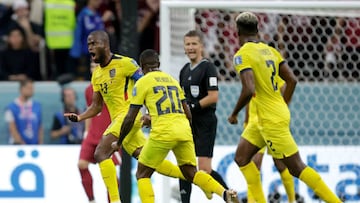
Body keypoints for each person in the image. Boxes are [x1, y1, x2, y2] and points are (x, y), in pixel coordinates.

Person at [64, 30, 194, 203]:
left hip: (128, 117)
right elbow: (96, 106)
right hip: (120, 121)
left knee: (101, 153)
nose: (90, 48)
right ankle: (193, 176)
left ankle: (115, 200)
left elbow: (148, 84)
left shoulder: (126, 63)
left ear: (105, 44)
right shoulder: (96, 75)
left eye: (93, 44)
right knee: (145, 159)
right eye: (88, 45)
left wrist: (149, 112)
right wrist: (79, 118)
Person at [227, 11, 342, 203]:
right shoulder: (271, 51)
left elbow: (248, 89)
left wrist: (234, 114)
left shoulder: (241, 55)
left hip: (270, 120)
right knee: (241, 158)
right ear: (257, 30)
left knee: (296, 167)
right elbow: (292, 80)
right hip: (265, 118)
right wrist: (283, 104)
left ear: (238, 32)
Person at [111, 49, 239, 203]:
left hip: (163, 132)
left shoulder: (142, 82)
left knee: (142, 174)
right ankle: (224, 193)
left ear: (142, 67)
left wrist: (118, 142)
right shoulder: (172, 80)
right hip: (184, 129)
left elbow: (130, 117)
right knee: (191, 173)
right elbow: (188, 113)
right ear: (158, 64)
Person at [178, 30, 228, 202]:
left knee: (204, 169)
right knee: (185, 165)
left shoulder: (208, 67)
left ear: (201, 46)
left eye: (194, 44)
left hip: (205, 122)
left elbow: (213, 96)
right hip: (188, 124)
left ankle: (228, 195)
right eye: (188, 44)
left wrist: (192, 107)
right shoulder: (184, 70)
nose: (191, 47)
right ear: (184, 47)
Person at [244, 79, 296, 203]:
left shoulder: (273, 73)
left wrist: (278, 111)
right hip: (255, 124)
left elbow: (287, 88)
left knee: (280, 164)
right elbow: (247, 96)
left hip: (272, 123)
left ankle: (292, 199)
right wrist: (246, 121)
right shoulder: (249, 73)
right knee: (254, 164)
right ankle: (252, 201)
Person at [79, 64, 121, 203]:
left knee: (110, 173)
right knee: (82, 165)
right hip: (92, 134)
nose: (94, 68)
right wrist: (86, 131)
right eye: (91, 66)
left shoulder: (113, 86)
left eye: (96, 65)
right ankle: (91, 200)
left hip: (108, 134)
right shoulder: (88, 90)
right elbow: (90, 110)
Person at [4, 79, 43, 144]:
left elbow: (40, 126)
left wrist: (40, 143)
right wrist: (22, 144)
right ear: (21, 89)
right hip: (17, 147)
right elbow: (12, 128)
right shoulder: (11, 108)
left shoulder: (37, 106)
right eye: (29, 88)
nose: (32, 91)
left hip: (34, 146)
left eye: (32, 88)